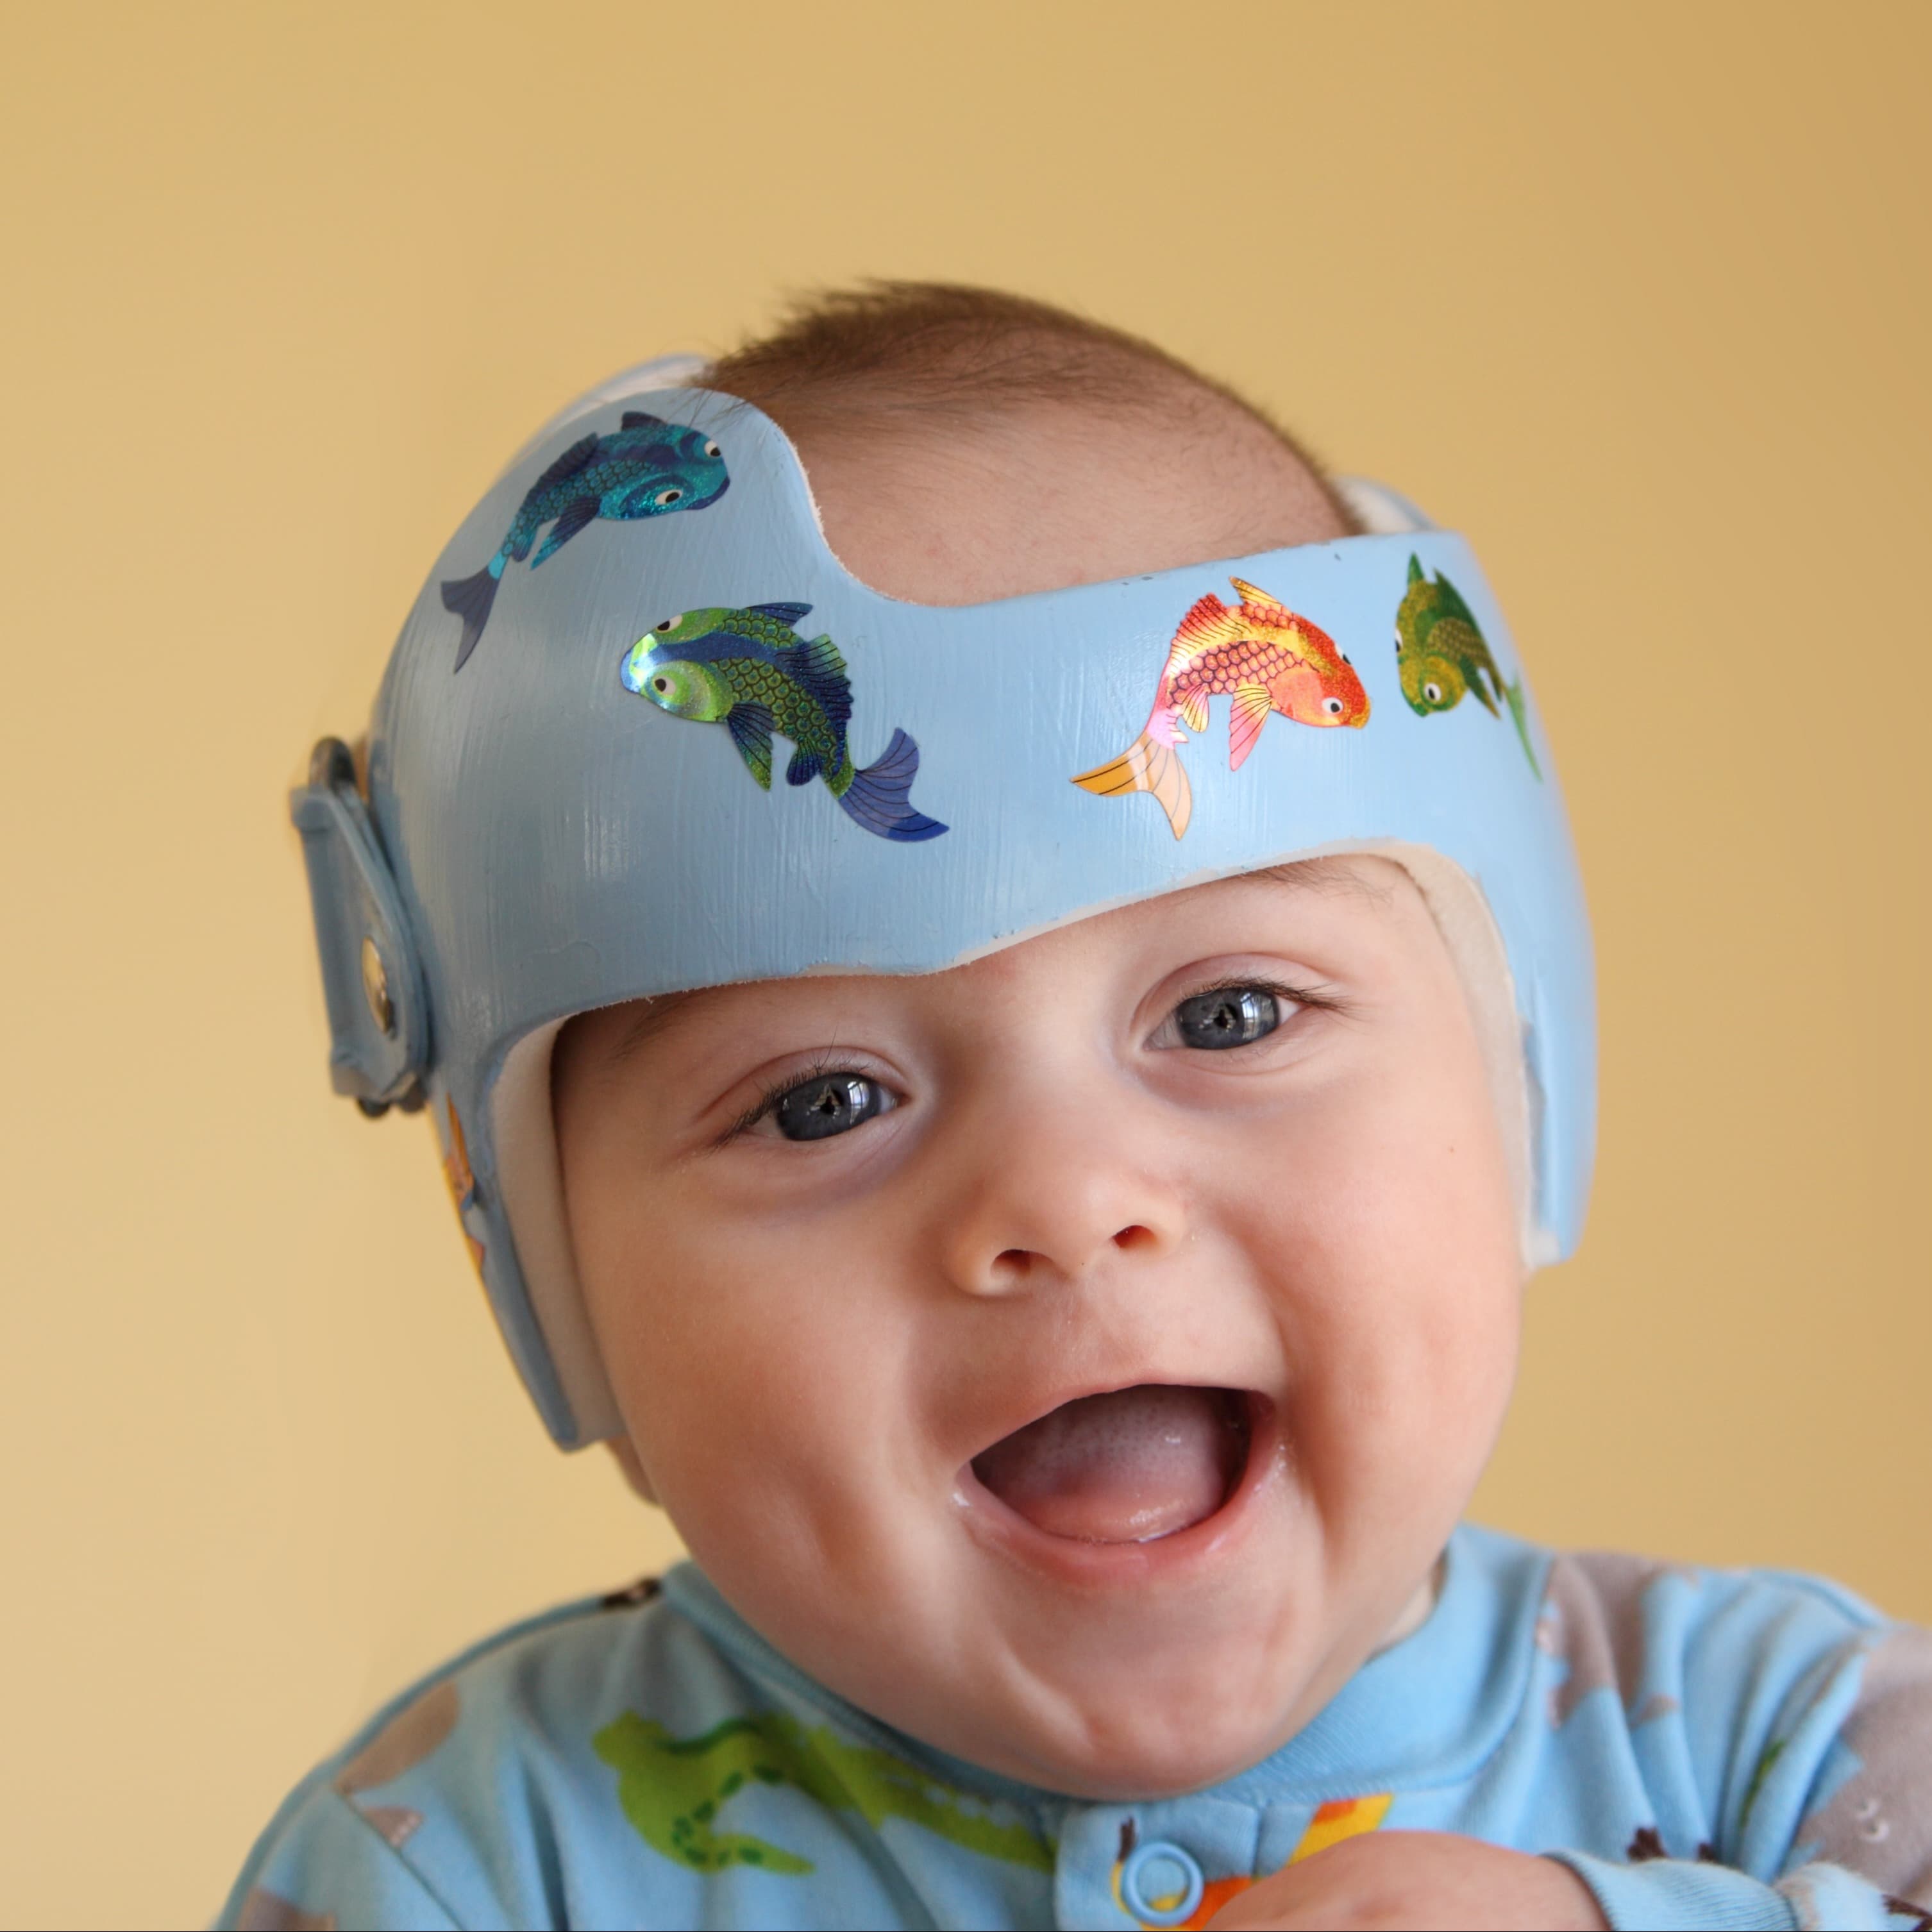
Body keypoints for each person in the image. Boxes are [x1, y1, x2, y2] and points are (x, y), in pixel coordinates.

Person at [231, 285, 1930, 1931]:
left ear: (1516, 1078)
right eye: (822, 1101)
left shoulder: (1783, 1737)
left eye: (1232, 1013)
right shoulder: (464, 1862)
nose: (1063, 1194)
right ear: (556, 1291)